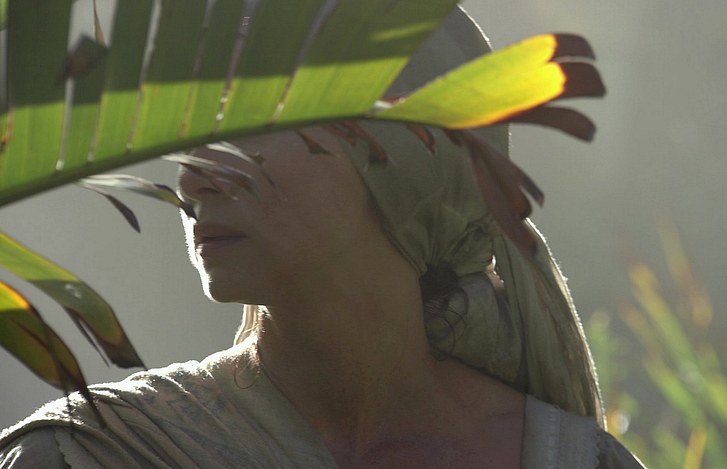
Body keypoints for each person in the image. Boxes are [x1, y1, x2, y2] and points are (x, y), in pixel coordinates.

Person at [0, 6, 644, 468]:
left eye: (241, 125)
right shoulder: (97, 453)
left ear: (399, 154)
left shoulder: (571, 459)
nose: (192, 179)